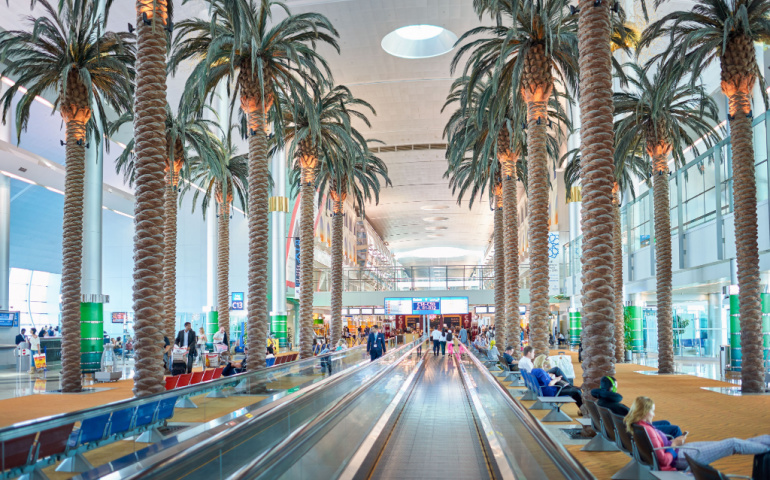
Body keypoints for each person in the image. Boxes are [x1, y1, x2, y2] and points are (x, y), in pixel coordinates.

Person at [625, 396, 770, 471]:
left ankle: (767, 441)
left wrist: (674, 443)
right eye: (652, 410)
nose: (654, 414)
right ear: (644, 412)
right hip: (681, 457)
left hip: (680, 451)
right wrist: (674, 443)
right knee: (732, 443)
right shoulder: (647, 430)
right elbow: (663, 460)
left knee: (726, 443)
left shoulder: (641, 426)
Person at [591, 376, 682, 438]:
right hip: (637, 431)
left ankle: (666, 445)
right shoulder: (615, 406)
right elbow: (637, 418)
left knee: (666, 423)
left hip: (627, 428)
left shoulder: (602, 402)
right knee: (675, 429)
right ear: (612, 388)